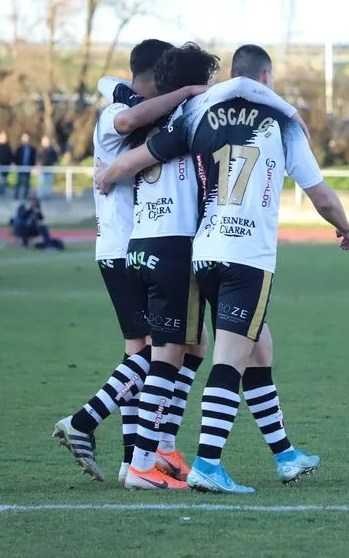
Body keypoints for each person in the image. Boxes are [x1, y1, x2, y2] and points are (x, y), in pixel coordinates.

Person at [96, 43, 349, 493]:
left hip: (204, 251)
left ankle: (285, 454)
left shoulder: (197, 114)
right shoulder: (282, 123)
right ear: (266, 77)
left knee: (259, 348)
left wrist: (107, 174)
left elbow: (142, 156)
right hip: (247, 254)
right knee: (229, 359)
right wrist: (346, 228)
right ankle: (208, 464)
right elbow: (322, 196)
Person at [53, 39, 208, 483]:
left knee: (159, 349)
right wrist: (187, 91)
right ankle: (85, 422)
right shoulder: (115, 115)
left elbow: (116, 87)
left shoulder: (137, 104)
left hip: (131, 244)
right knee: (157, 351)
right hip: (125, 246)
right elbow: (128, 116)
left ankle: (135, 458)